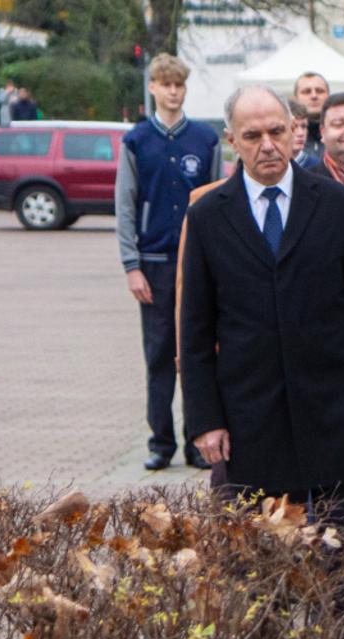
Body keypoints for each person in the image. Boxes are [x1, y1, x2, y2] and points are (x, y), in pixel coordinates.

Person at [180, 85, 344, 530]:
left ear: (295, 129)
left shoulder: (336, 204)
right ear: (231, 140)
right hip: (251, 423)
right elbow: (196, 330)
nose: (267, 146)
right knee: (260, 571)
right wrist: (204, 420)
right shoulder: (208, 217)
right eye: (252, 135)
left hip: (336, 415)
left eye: (277, 131)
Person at [115, 54, 223, 473]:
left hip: (197, 263)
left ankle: (199, 440)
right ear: (154, 89)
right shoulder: (137, 140)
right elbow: (124, 205)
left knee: (197, 351)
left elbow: (217, 196)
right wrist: (131, 265)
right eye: (166, 84)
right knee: (158, 355)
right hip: (154, 262)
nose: (173, 91)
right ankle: (160, 442)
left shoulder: (205, 139)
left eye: (179, 84)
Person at [293, 72, 330, 162]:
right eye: (306, 92)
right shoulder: (285, 139)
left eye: (319, 91)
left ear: (328, 96)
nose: (314, 96)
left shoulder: (341, 136)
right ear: (296, 98)